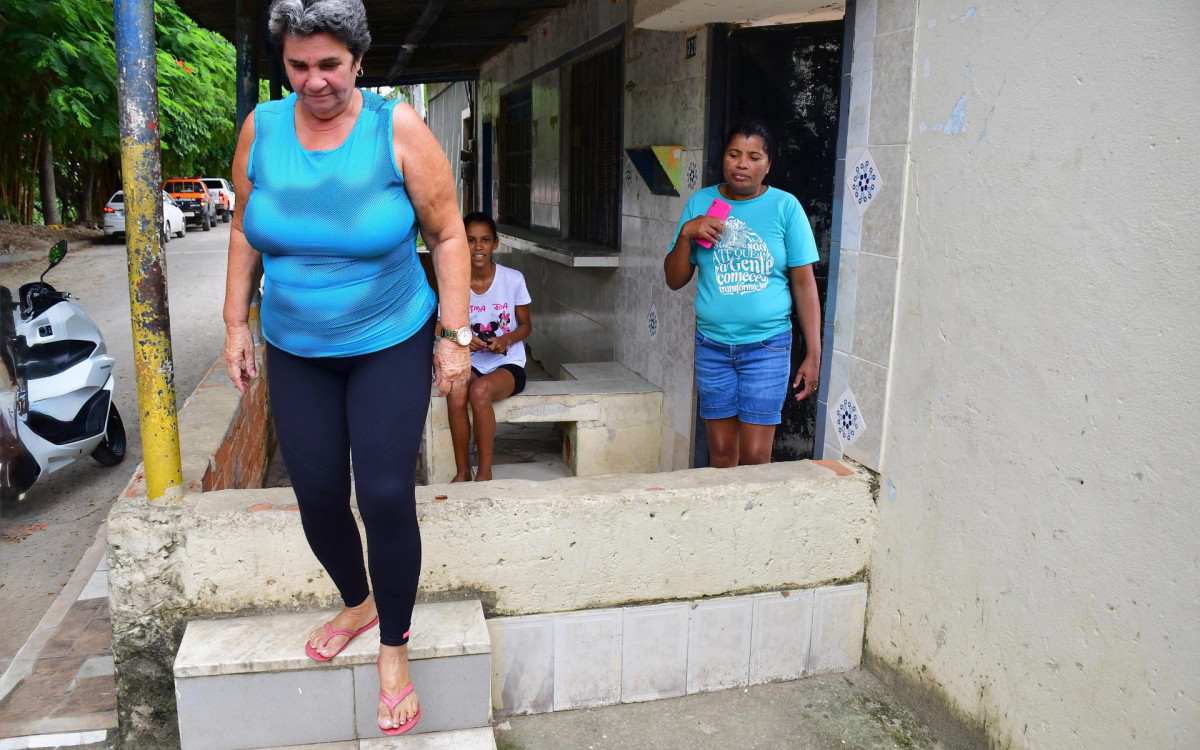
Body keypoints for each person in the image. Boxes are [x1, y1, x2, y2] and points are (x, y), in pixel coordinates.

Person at [221, 0, 471, 736]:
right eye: (298, 65)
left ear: (359, 60)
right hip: (296, 343)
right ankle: (357, 601)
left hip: (389, 335)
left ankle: (394, 644)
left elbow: (448, 233)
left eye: (330, 64)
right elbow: (244, 227)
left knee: (386, 493)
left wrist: (454, 336)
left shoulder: (396, 126)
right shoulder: (262, 129)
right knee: (319, 497)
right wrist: (235, 323)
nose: (314, 80)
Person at [664, 121, 821, 467]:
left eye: (754, 157)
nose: (742, 164)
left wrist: (814, 353)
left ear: (768, 164)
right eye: (734, 154)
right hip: (713, 346)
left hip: (766, 347)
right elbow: (674, 280)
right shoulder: (702, 202)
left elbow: (804, 284)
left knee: (755, 457)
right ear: (723, 158)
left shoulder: (785, 207)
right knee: (721, 455)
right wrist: (687, 233)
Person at [445, 212, 532, 482]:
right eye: (470, 240)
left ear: (495, 243)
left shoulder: (513, 279)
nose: (478, 246)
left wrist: (506, 339)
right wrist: (462, 336)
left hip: (508, 364)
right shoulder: (454, 282)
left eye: (485, 240)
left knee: (480, 391)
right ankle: (462, 472)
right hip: (471, 362)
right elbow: (439, 327)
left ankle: (484, 473)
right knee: (455, 392)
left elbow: (526, 325)